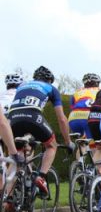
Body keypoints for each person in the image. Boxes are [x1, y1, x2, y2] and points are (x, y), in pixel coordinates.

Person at [7, 66, 74, 194]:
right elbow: (61, 119)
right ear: (49, 80)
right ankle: (41, 177)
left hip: (13, 119)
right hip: (33, 116)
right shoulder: (51, 88)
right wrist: (68, 142)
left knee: (19, 154)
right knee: (51, 145)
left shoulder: (22, 86)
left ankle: (8, 199)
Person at [68, 73, 100, 139]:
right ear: (97, 83)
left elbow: (71, 109)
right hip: (89, 117)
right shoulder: (100, 91)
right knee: (94, 144)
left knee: (81, 143)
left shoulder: (76, 92)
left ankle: (81, 148)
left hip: (73, 118)